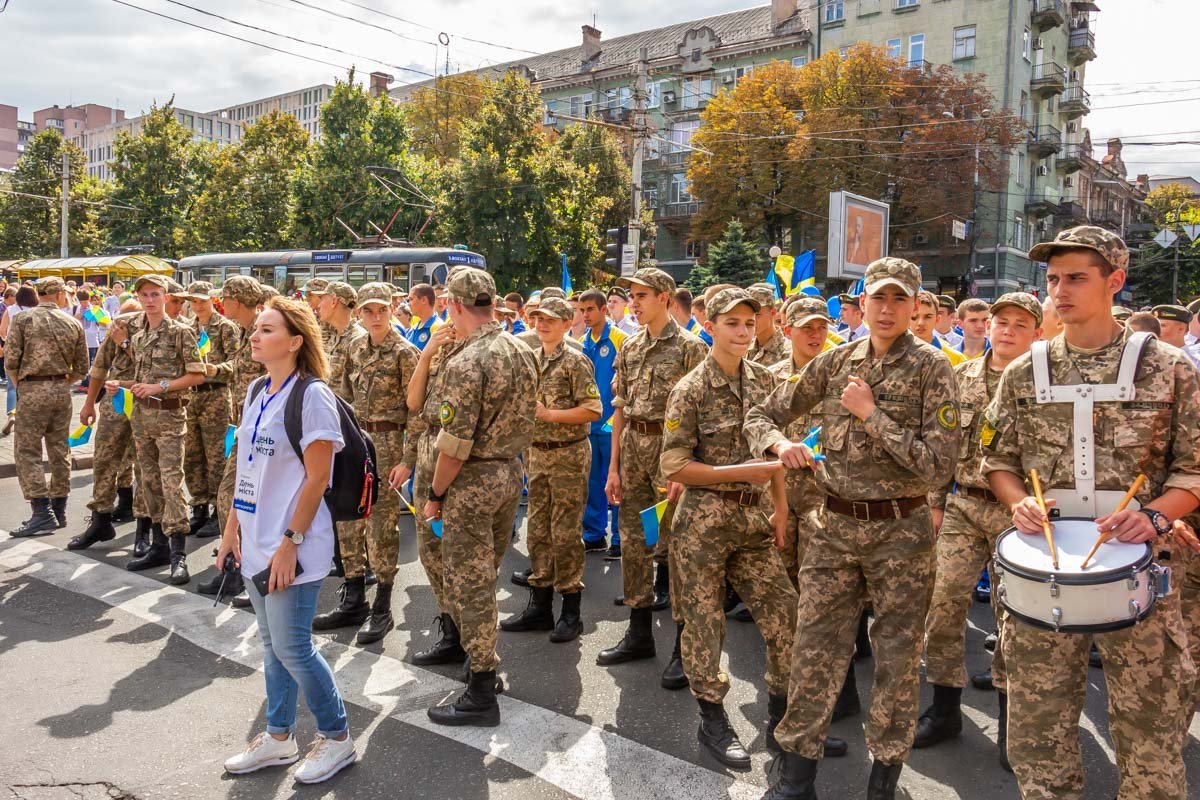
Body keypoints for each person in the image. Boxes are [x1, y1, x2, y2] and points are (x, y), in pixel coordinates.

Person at [982, 226, 1200, 800]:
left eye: (1076, 277)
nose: (1059, 291)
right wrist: (1017, 499)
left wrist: (1154, 516)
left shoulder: (1171, 368)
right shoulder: (1024, 371)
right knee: (1037, 742)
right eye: (1053, 279)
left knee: (1151, 743)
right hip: (1044, 571)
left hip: (1142, 571)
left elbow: (1194, 467)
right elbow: (994, 457)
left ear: (1115, 281)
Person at [748, 257, 960, 800]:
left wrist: (871, 415)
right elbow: (761, 415)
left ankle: (883, 778)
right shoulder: (836, 361)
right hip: (834, 529)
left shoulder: (934, 369)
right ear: (860, 303)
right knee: (813, 649)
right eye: (877, 298)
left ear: (915, 306)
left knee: (895, 658)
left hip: (901, 535)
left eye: (899, 299)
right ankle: (796, 778)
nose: (886, 310)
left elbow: (939, 468)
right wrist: (780, 445)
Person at [660, 287, 805, 769]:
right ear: (711, 326)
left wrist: (780, 506)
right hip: (703, 522)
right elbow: (674, 465)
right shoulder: (691, 389)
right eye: (732, 324)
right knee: (704, 624)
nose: (743, 332)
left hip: (753, 520)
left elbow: (776, 449)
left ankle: (781, 718)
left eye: (749, 323)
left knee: (786, 616)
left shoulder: (766, 381)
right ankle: (712, 717)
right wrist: (736, 474)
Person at [216, 295, 356, 784]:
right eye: (256, 328)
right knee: (272, 646)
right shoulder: (256, 389)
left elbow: (318, 478)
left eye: (268, 330)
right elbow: (246, 471)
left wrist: (290, 541)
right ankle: (278, 738)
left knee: (294, 648)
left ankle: (337, 739)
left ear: (296, 342)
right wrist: (231, 530)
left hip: (292, 546)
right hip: (255, 541)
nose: (255, 336)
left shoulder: (312, 395)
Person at [915, 292, 1043, 771]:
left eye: (1020, 324)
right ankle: (946, 708)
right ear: (987, 327)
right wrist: (933, 503)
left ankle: (1014, 723)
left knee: (1016, 618)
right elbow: (941, 446)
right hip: (964, 506)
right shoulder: (960, 377)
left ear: (1037, 333)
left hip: (1023, 517)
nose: (1008, 330)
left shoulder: (1044, 383)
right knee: (943, 604)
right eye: (1000, 321)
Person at [422, 266, 536, 727]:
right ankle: (481, 666)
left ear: (453, 305)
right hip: (509, 473)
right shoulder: (519, 348)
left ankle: (482, 689)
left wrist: (434, 494)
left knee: (470, 586)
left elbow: (454, 445)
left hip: (471, 481)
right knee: (485, 576)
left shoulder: (468, 361)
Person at [599, 267, 706, 688]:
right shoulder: (630, 346)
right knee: (634, 542)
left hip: (671, 453)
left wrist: (684, 466)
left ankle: (684, 647)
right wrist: (613, 467)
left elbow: (701, 415)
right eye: (632, 296)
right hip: (635, 452)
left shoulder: (690, 348)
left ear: (664, 297)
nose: (634, 303)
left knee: (676, 550)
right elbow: (620, 408)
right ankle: (639, 631)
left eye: (641, 295)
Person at [313, 283, 419, 645]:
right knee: (346, 520)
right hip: (356, 441)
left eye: (382, 311)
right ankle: (354, 595)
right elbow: (339, 398)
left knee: (381, 527)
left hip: (389, 444)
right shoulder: (355, 348)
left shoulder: (406, 353)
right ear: (360, 312)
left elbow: (416, 413)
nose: (375, 317)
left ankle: (383, 605)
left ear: (391, 310)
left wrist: (408, 459)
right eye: (369, 311)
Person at [500, 296, 601, 642]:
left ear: (564, 324)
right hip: (538, 454)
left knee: (566, 532)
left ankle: (571, 611)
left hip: (569, 455)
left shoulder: (575, 361)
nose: (542, 325)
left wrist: (551, 415)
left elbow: (592, 409)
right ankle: (539, 605)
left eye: (550, 320)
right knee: (538, 530)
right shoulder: (532, 359)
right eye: (538, 319)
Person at [116, 274, 206, 582]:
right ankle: (159, 545)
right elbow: (142, 380)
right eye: (144, 295)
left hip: (170, 417)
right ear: (138, 298)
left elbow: (197, 375)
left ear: (165, 297)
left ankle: (179, 553)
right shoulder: (139, 336)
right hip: (142, 417)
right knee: (149, 482)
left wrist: (161, 386)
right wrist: (124, 385)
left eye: (155, 294)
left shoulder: (181, 332)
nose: (150, 300)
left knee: (171, 482)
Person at [397, 316, 465, 667]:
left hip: (455, 463)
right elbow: (413, 403)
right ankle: (451, 630)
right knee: (430, 553)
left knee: (459, 559)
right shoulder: (434, 357)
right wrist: (426, 356)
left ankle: (470, 638)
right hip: (426, 459)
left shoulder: (472, 360)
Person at [5, 277, 90, 537]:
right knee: (59, 449)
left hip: (32, 389)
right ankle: (59, 508)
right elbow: (83, 367)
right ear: (59, 294)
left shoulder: (23, 319)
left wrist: (22, 384)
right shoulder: (72, 322)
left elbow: (11, 360)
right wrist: (64, 381)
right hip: (61, 390)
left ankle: (41, 511)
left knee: (27, 450)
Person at [202, 275, 267, 604]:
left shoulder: (263, 330)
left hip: (262, 431)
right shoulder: (243, 331)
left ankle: (242, 571)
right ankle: (235, 568)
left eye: (224, 298)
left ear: (237, 300)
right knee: (232, 496)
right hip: (244, 427)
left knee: (234, 496)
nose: (220, 304)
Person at [69, 301, 147, 551]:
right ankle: (100, 519)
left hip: (149, 404)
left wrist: (126, 342)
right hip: (116, 403)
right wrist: (89, 403)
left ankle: (144, 530)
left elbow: (156, 371)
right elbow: (100, 368)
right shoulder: (120, 327)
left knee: (145, 467)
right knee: (104, 460)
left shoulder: (171, 329)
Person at [179, 281, 241, 539]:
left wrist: (216, 370)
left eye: (202, 300)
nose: (197, 305)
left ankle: (218, 511)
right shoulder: (186, 328)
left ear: (211, 300)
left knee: (216, 456)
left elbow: (237, 362)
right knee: (192, 456)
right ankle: (199, 507)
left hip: (215, 395)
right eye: (193, 301)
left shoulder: (225, 327)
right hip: (191, 396)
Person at [578, 288, 624, 558]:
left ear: (604, 309)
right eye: (582, 310)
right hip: (588, 424)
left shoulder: (619, 339)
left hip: (611, 425)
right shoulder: (583, 341)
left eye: (590, 310)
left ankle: (618, 537)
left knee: (615, 481)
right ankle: (594, 535)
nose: (585, 315)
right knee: (592, 482)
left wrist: (612, 418)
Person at [0, 285, 37, 437]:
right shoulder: (36, 311)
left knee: (11, 385)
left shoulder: (10, 310)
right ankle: (29, 418)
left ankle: (12, 415)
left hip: (13, 351)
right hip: (32, 352)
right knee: (31, 384)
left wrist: (7, 341)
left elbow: (2, 330)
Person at [909, 291, 966, 366]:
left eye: (928, 317)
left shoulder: (956, 359)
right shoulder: (892, 353)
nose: (921, 323)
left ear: (937, 319)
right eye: (914, 317)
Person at [746, 284, 791, 366]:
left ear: (772, 313)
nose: (751, 320)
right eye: (748, 315)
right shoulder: (744, 348)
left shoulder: (789, 352)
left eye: (757, 315)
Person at [73, 290, 106, 392]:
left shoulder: (95, 309)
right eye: (82, 302)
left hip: (92, 340)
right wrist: (78, 316)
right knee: (81, 362)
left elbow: (104, 324)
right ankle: (84, 382)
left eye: (86, 301)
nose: (84, 304)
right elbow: (70, 321)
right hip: (79, 340)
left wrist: (95, 317)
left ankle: (88, 384)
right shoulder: (75, 308)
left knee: (91, 362)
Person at [1151, 304, 1200, 369]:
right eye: (1154, 326)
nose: (1155, 330)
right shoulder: (1148, 356)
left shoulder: (1194, 361)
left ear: (1181, 329)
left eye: (1162, 326)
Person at [406, 283, 441, 350]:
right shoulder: (413, 328)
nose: (408, 304)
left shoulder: (437, 327)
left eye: (411, 299)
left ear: (424, 300)